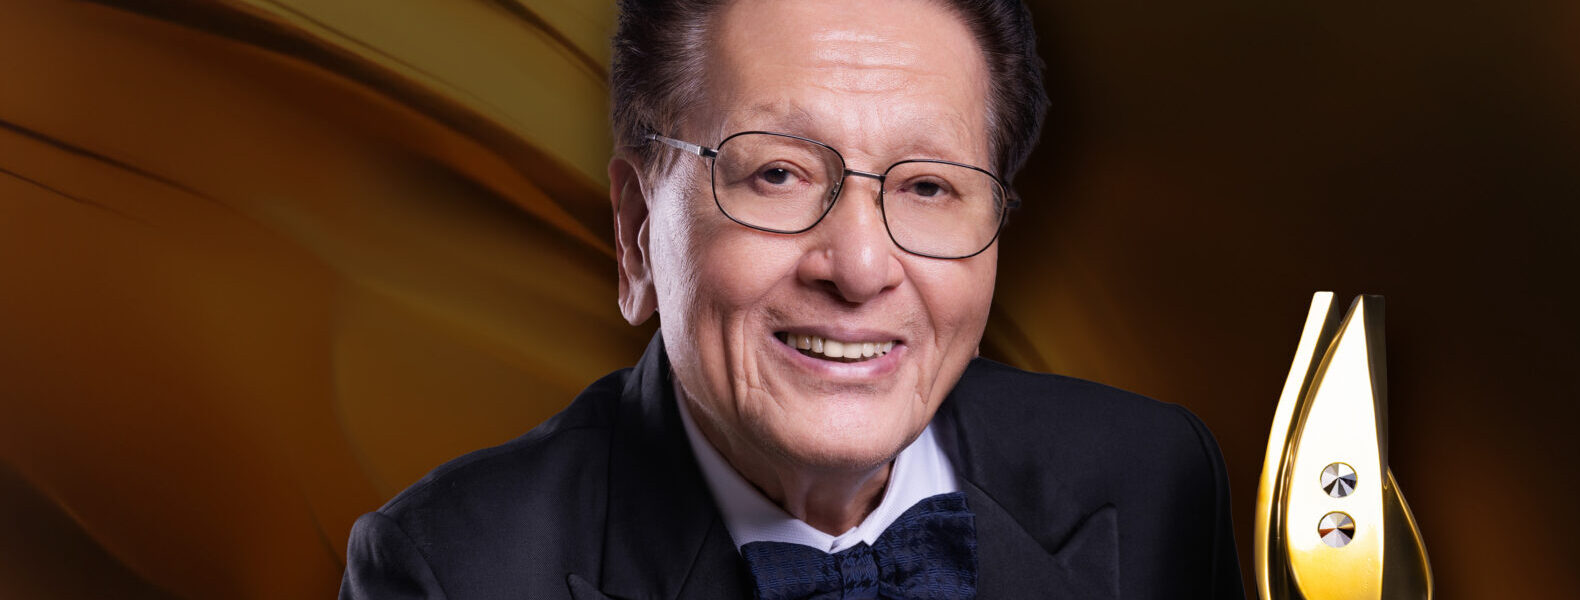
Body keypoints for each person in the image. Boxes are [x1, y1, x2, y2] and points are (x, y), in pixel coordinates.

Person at [339, 0, 1244, 598]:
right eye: (777, 173)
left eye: (929, 187)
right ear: (637, 232)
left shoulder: (1156, 479)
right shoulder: (451, 572)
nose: (859, 266)